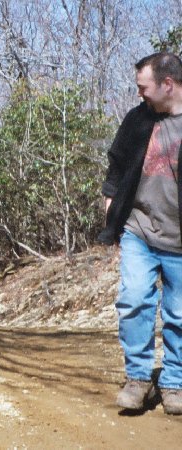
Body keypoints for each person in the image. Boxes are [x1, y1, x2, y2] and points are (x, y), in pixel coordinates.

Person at [99, 52, 182, 415]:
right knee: (134, 301)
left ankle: (174, 383)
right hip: (139, 230)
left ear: (167, 84)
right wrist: (110, 208)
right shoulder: (138, 119)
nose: (139, 95)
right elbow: (116, 166)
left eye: (143, 87)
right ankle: (137, 377)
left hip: (179, 240)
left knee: (179, 314)